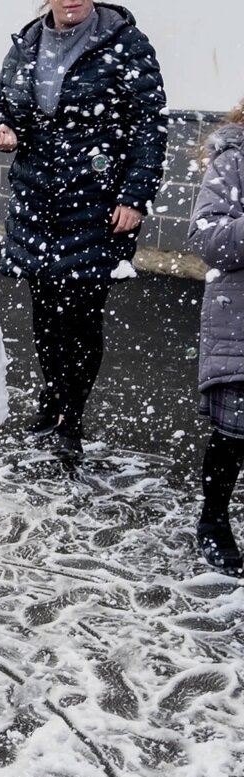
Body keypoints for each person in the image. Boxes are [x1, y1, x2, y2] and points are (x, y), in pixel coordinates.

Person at [0, 0, 166, 458]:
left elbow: (149, 125)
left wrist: (134, 195)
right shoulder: (26, 44)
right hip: (37, 201)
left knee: (82, 316)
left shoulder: (124, 43)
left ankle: (73, 414)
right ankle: (53, 395)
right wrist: (2, 127)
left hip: (96, 203)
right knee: (46, 314)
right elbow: (2, 104)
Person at [188, 99, 244, 573]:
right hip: (240, 320)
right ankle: (213, 518)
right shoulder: (233, 161)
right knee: (234, 436)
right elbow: (208, 239)